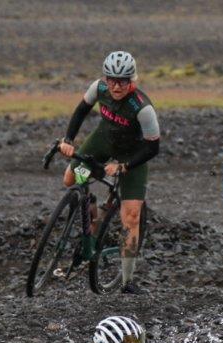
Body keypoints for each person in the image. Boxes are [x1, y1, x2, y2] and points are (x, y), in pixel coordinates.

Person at [59, 51, 160, 295]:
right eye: (112, 80)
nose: (116, 86)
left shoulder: (143, 108)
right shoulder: (99, 88)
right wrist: (68, 140)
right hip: (103, 141)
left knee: (131, 216)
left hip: (133, 155)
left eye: (122, 81)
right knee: (71, 178)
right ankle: (90, 203)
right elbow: (81, 111)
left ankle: (127, 282)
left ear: (132, 80)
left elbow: (153, 148)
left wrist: (124, 167)